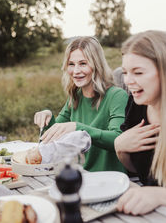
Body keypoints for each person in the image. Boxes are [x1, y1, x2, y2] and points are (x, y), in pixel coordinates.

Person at [31, 36, 128, 172]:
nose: (76, 71)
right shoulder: (76, 96)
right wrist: (48, 117)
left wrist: (78, 128)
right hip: (80, 175)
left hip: (109, 180)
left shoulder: (116, 96)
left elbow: (118, 139)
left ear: (96, 65)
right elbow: (57, 133)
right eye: (71, 64)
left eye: (83, 63)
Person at [114, 30, 166, 215]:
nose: (128, 81)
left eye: (138, 72)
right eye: (125, 72)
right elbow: (144, 174)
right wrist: (120, 148)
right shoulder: (136, 106)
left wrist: (161, 196)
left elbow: (155, 190)